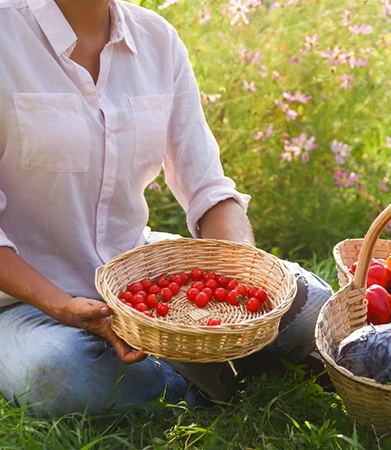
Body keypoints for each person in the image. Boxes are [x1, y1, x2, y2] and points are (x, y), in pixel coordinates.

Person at [0, 0, 333, 417]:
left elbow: (208, 188)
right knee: (63, 374)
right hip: (25, 300)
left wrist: (238, 279)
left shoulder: (157, 39)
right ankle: (209, 381)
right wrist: (61, 305)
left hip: (139, 278)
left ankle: (193, 367)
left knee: (312, 303)